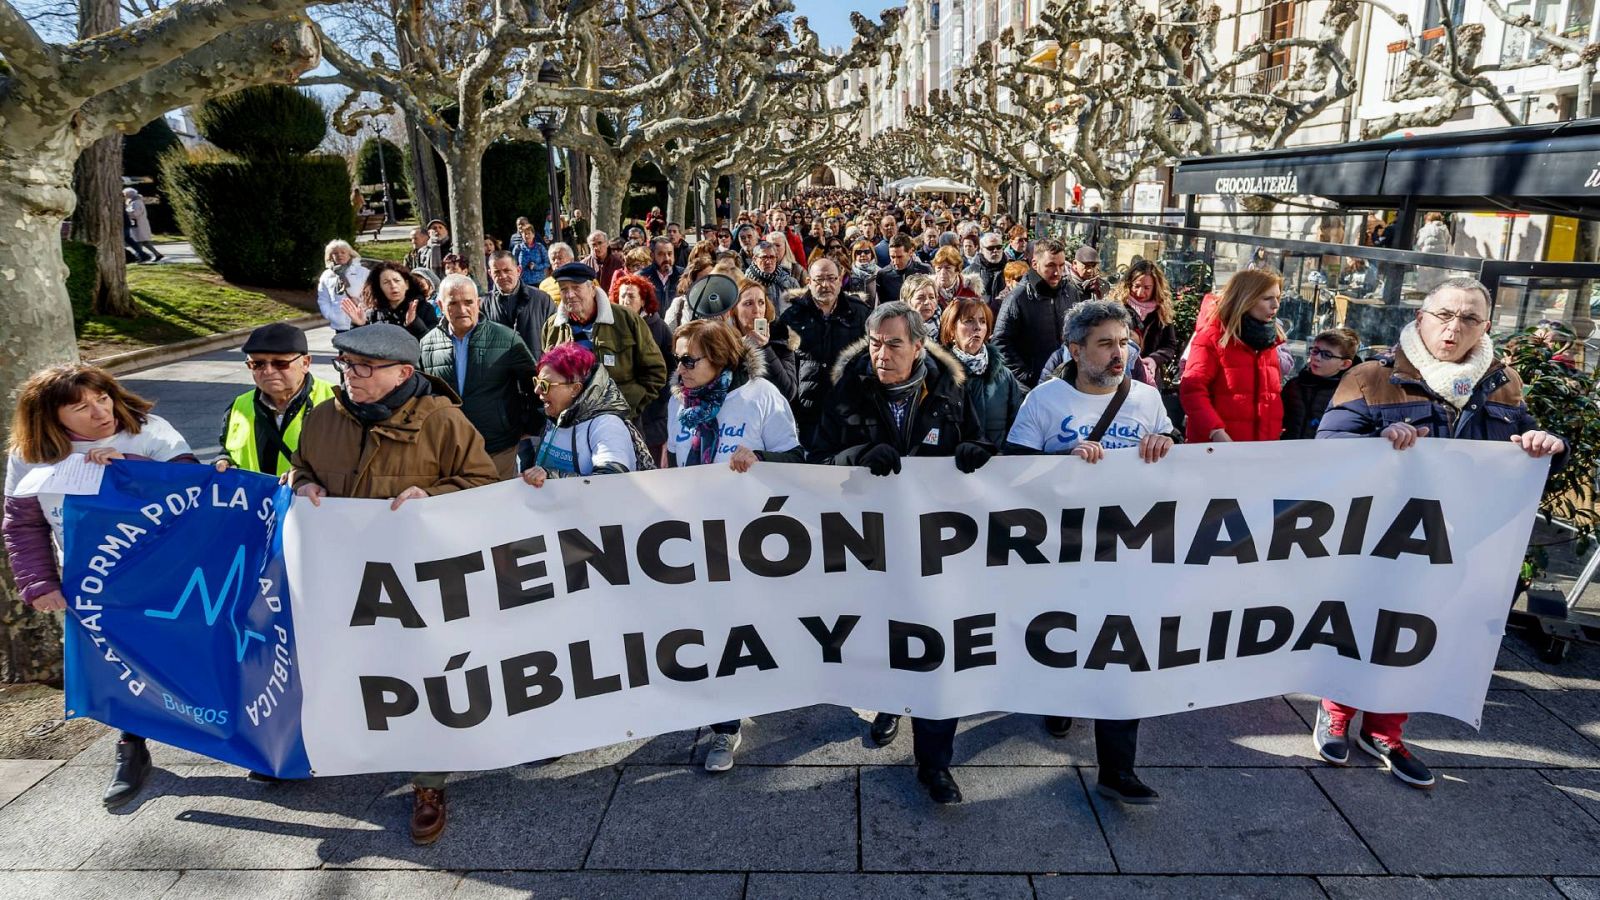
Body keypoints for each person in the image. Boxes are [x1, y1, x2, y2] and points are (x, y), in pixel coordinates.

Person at [1313, 277, 1567, 789]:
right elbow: (1327, 449)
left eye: (1469, 319)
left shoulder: (1503, 384)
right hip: (1377, 535)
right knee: (1359, 622)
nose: (1454, 328)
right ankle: (1336, 710)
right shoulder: (1369, 376)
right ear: (1421, 316)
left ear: (1486, 327)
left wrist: (1548, 446)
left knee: (1418, 631)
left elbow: (1527, 456)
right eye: (1445, 315)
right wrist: (1378, 442)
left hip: (1457, 539)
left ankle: (1385, 729)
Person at [289, 324, 498, 844]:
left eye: (363, 368)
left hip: (418, 586)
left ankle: (428, 783)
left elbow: (484, 485)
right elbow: (300, 468)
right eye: (346, 366)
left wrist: (435, 498)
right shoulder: (322, 419)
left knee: (421, 679)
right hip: (342, 577)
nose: (350, 377)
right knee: (352, 669)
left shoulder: (445, 422)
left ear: (404, 373)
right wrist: (304, 483)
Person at [808, 301, 994, 804]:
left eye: (893, 343)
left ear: (918, 345)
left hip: (936, 548)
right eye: (874, 343)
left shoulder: (952, 390)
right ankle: (890, 704)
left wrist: (976, 452)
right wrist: (858, 458)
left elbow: (977, 442)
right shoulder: (847, 389)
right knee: (884, 639)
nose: (881, 353)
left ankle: (935, 766)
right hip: (870, 548)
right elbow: (817, 459)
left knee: (938, 648)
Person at [1002, 300, 1173, 804]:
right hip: (1062, 549)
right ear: (1075, 349)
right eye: (1105, 344)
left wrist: (1165, 443)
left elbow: (1172, 455)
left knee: (1122, 650)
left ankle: (1118, 768)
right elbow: (1014, 471)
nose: (1118, 353)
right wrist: (1064, 462)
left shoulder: (1145, 399)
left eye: (1123, 342)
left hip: (1127, 548)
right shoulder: (1044, 401)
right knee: (1063, 634)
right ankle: (1058, 697)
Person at [4, 365, 197, 809]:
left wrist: (134, 468)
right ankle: (131, 746)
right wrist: (37, 581)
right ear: (51, 417)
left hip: (165, 573)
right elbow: (22, 523)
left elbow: (192, 489)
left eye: (102, 398)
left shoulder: (148, 431)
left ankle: (238, 738)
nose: (100, 412)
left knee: (190, 653)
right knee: (117, 665)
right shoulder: (30, 453)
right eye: (81, 407)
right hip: (90, 581)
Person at [667, 319, 803, 770]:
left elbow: (799, 461)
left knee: (752, 628)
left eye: (690, 360)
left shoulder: (759, 396)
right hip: (696, 540)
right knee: (708, 631)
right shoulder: (678, 404)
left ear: (721, 359)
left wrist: (761, 459)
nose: (680, 369)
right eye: (678, 359)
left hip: (752, 541)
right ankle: (724, 728)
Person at [419, 275, 538, 479]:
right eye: (453, 303)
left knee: (497, 504)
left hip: (497, 446)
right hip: (448, 448)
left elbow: (534, 387)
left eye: (468, 302)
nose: (462, 310)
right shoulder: (427, 343)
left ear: (479, 302)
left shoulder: (506, 338)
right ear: (440, 304)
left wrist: (527, 426)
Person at [541, 262, 668, 420]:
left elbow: (655, 372)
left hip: (620, 420)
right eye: (564, 289)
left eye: (576, 287)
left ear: (592, 289)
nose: (570, 294)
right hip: (570, 421)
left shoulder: (626, 319)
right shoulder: (553, 326)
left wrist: (629, 407)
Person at [1179, 268, 1286, 443]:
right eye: (1267, 298)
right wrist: (1215, 431)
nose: (1275, 305)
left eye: (1278, 297)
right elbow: (1192, 390)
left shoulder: (1269, 340)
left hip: (1261, 450)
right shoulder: (1212, 337)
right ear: (1246, 299)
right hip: (1217, 450)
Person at [215, 323, 336, 476]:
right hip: (255, 498)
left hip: (312, 499)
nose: (268, 371)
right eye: (257, 364)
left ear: (305, 363)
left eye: (280, 363)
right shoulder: (238, 406)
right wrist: (224, 460)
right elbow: (229, 449)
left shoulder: (337, 402)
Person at [777, 256, 872, 443]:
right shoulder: (792, 316)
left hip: (850, 407)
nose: (826, 284)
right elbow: (785, 363)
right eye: (819, 279)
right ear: (809, 282)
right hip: (809, 409)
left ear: (840, 280)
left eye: (831, 278)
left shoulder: (860, 313)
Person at [520, 342, 641, 482]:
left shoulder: (607, 425)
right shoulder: (558, 415)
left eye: (545, 385)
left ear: (575, 389)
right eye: (537, 382)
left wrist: (551, 476)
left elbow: (611, 481)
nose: (537, 390)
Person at [992, 238, 1080, 390]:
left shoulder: (1070, 292)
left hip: (1067, 382)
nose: (1057, 272)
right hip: (1030, 387)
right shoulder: (1017, 298)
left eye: (1061, 265)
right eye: (1050, 266)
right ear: (1034, 264)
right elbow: (1000, 342)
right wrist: (1028, 376)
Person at [940, 296, 1024, 444]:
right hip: (954, 465)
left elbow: (1018, 428)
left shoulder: (1005, 377)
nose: (977, 327)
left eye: (982, 321)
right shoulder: (939, 375)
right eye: (969, 321)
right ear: (952, 330)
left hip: (998, 463)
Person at [613, 273, 675, 461]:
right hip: (621, 412)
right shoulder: (610, 326)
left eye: (631, 296)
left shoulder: (659, 328)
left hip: (653, 414)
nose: (625, 300)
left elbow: (671, 369)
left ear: (643, 300)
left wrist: (660, 399)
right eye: (622, 295)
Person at [727, 277, 799, 400]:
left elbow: (788, 392)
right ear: (734, 310)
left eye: (761, 302)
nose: (757, 310)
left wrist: (765, 348)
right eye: (748, 303)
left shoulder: (782, 339)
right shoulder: (726, 343)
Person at [1282, 327, 1360, 440]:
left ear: (1344, 364)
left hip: (1324, 455)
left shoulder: (1349, 396)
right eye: (1315, 351)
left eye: (1327, 355)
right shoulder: (1294, 385)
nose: (1317, 358)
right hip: (1288, 452)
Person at [1113, 258, 1178, 387]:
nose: (1140, 292)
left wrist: (1154, 359)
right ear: (1129, 284)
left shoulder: (1161, 310)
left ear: (1156, 287)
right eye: (1136, 286)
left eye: (1147, 288)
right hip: (1120, 377)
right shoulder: (1117, 307)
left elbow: (1169, 345)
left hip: (1150, 378)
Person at [486, 250, 557, 362]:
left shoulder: (542, 300)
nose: (502, 276)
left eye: (507, 270)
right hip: (500, 375)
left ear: (518, 270)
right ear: (490, 274)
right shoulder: (484, 305)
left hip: (537, 370)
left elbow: (555, 341)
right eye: (497, 272)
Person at [350, 260, 440, 340]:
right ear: (378, 287)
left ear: (407, 284)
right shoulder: (372, 314)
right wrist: (358, 326)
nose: (393, 286)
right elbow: (359, 351)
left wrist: (414, 324)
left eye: (397, 280)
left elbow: (433, 346)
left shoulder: (424, 309)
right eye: (386, 282)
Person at [316, 239, 370, 334]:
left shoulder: (363, 272)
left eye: (343, 252)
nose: (339, 255)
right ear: (331, 256)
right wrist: (330, 315)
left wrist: (365, 312)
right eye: (335, 253)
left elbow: (371, 295)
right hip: (340, 324)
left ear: (350, 254)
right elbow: (323, 299)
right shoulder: (327, 275)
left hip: (361, 320)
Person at [874, 234, 932, 307]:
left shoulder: (925, 270)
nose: (896, 262)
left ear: (910, 252)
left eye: (900, 257)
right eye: (892, 257)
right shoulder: (883, 275)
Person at [746, 240, 800, 312]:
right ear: (755, 259)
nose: (768, 262)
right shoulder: (746, 284)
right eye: (764, 257)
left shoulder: (790, 282)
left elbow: (801, 310)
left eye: (772, 257)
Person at [965, 232, 1008, 312]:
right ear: (981, 250)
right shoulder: (970, 271)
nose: (995, 251)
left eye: (999, 247)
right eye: (990, 248)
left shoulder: (1011, 269)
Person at [642, 236, 685, 308]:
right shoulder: (642, 278)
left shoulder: (684, 276)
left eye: (670, 253)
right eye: (661, 254)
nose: (667, 258)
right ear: (652, 256)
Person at [122, 188, 163, 263]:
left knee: (138, 241)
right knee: (143, 241)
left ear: (129, 194)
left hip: (139, 225)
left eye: (125, 194)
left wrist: (126, 213)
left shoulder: (136, 202)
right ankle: (155, 254)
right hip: (137, 224)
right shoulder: (134, 202)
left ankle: (141, 257)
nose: (124, 195)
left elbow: (136, 213)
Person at [510, 216, 552, 287]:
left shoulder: (540, 247)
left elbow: (547, 263)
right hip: (523, 283)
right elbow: (512, 264)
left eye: (529, 233)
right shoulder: (518, 248)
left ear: (533, 235)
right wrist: (519, 268)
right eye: (524, 234)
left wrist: (536, 266)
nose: (527, 236)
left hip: (539, 282)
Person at [848, 239, 881, 306]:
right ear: (854, 255)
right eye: (859, 252)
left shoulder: (880, 272)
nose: (862, 255)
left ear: (872, 254)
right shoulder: (849, 273)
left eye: (866, 252)